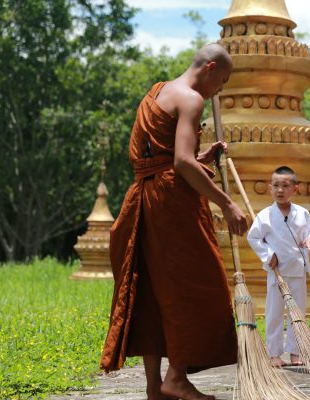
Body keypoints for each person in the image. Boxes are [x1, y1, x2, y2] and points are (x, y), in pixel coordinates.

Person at [100, 43, 249, 400]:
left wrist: (204, 156)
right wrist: (227, 203)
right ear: (210, 68)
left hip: (141, 197)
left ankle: (156, 387)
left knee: (153, 289)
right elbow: (180, 164)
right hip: (171, 203)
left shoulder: (158, 91)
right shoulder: (193, 99)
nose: (220, 91)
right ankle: (177, 378)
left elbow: (164, 157)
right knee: (195, 284)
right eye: (223, 81)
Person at [246, 166, 310, 368]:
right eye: (276, 186)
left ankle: (296, 352)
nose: (280, 190)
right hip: (276, 272)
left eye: (285, 186)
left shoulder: (302, 213)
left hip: (296, 269)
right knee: (274, 313)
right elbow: (253, 237)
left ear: (294, 189)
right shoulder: (265, 215)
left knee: (297, 313)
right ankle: (274, 353)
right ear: (270, 188)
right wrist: (268, 255)